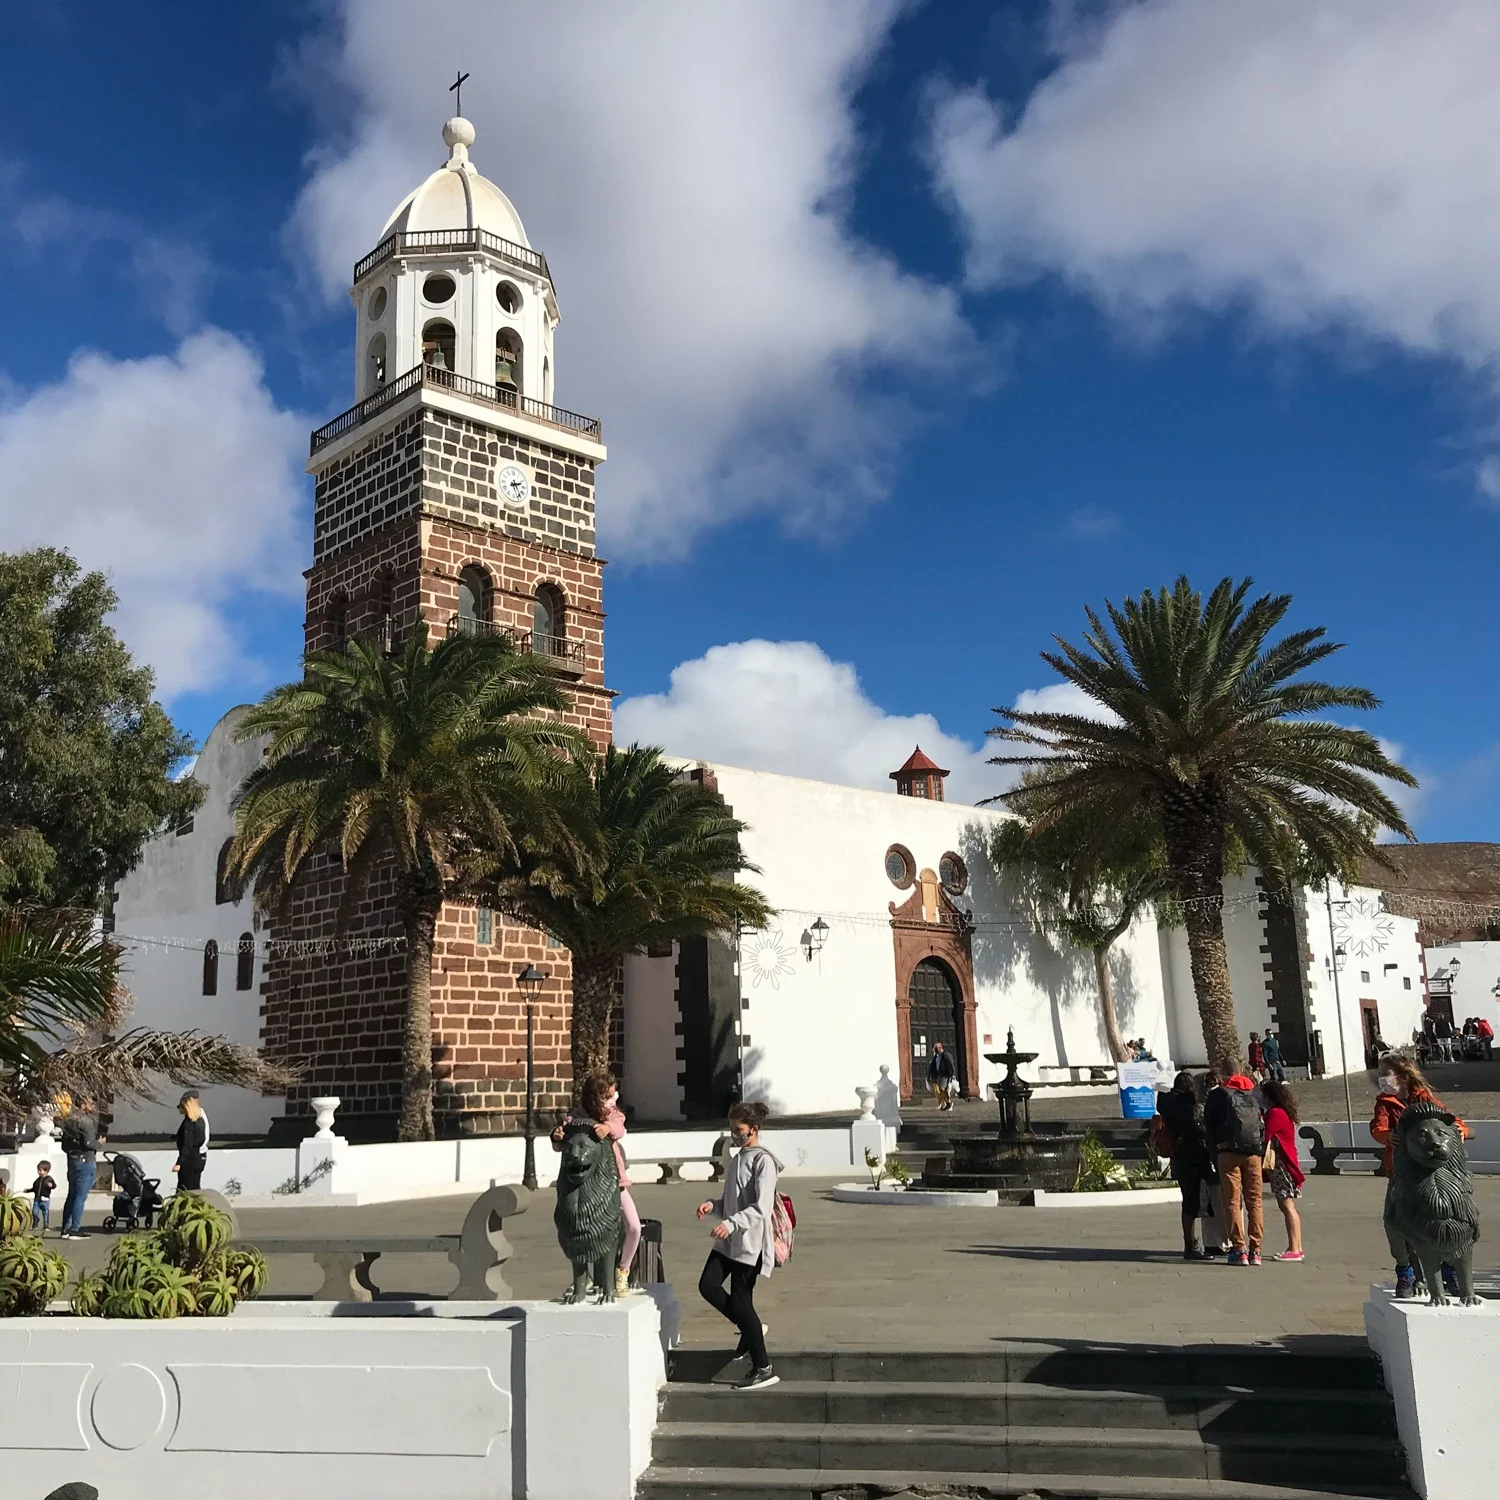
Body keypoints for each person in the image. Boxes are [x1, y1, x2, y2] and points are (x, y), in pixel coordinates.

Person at [697, 1101, 782, 1391]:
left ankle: (763, 1367)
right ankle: (750, 1327)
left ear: (754, 1130)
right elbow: (732, 1202)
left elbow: (761, 1208)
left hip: (750, 1245)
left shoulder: (763, 1162)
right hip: (729, 1241)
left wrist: (731, 1224)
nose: (734, 1136)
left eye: (739, 1131)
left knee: (743, 1301)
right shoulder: (737, 1159)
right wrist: (713, 1205)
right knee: (708, 1285)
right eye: (732, 1130)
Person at [1370, 1056, 1467, 1297]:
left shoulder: (1423, 1098)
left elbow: (1450, 1120)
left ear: (1401, 1077)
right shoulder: (1384, 1103)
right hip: (1400, 1172)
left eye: (1386, 1074)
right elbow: (1378, 1127)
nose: (1382, 1080)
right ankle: (1406, 1270)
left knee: (1444, 1219)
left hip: (1428, 1171)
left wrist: (1461, 1130)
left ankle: (1448, 1268)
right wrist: (1385, 1135)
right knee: (1392, 1221)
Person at [550, 1071, 641, 1297]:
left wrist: (608, 1128)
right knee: (579, 1230)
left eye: (614, 1095)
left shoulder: (614, 1116)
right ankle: (586, 1278)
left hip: (614, 1183)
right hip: (585, 1188)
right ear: (596, 1097)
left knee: (633, 1226)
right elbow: (561, 1143)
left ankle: (623, 1271)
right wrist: (556, 1135)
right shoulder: (575, 1118)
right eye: (609, 1096)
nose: (614, 1100)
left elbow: (620, 1128)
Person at [1154, 1072, 1219, 1261]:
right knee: (1192, 1201)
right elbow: (1193, 1129)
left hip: (1180, 1157)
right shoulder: (1182, 1105)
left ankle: (1192, 1242)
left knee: (1190, 1200)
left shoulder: (1168, 1103)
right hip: (1191, 1157)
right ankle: (1191, 1244)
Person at [1204, 1069, 1265, 1265]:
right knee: (1255, 1201)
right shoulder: (1254, 1094)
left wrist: (1216, 1149)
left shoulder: (1218, 1095)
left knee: (1232, 1201)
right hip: (1253, 1153)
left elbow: (1209, 1127)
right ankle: (1256, 1251)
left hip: (1228, 1152)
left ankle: (1239, 1250)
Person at [1260, 1079, 1305, 1262]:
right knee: (1286, 1205)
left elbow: (1265, 1135)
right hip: (1285, 1164)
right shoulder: (1283, 1112)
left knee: (1286, 1205)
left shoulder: (1275, 1113)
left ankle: (1295, 1248)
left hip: (1281, 1166)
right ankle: (1296, 1246)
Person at [58, 1096, 104, 1240]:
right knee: (80, 1196)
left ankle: (65, 1229)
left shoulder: (68, 1121)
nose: (93, 1106)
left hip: (72, 1160)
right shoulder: (86, 1122)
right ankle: (75, 1229)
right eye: (91, 1103)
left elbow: (64, 1145)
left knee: (71, 1195)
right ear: (83, 1104)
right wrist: (100, 1143)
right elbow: (89, 1143)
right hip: (85, 1161)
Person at [172, 1091, 209, 1192]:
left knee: (184, 1188)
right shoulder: (200, 1121)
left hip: (189, 1161)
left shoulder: (189, 1123)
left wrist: (179, 1163)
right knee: (195, 1187)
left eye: (181, 1106)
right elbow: (200, 1139)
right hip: (198, 1159)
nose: (179, 1109)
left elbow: (187, 1144)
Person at [928, 1041, 956, 1110]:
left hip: (945, 1075)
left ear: (940, 1048)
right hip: (939, 1075)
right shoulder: (936, 1056)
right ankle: (946, 1103)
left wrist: (952, 1073)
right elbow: (933, 1066)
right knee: (943, 1090)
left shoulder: (946, 1055)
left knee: (942, 1089)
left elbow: (950, 1063)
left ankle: (948, 1103)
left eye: (936, 1049)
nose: (936, 1051)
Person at [30, 1161, 56, 1232]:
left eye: (40, 1170)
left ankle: (46, 1225)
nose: (39, 1172)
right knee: (34, 1212)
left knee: (45, 1213)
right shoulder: (37, 1180)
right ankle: (35, 1222)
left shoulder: (49, 1179)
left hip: (45, 1200)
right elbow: (34, 1188)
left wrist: (51, 1185)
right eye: (38, 1170)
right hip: (37, 1200)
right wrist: (28, 1190)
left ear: (46, 1171)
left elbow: (54, 1185)